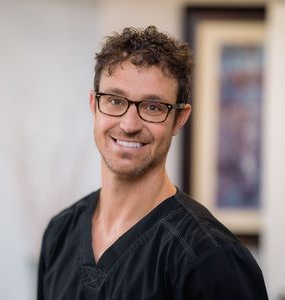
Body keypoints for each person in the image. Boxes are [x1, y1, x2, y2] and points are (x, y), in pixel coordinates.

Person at [37, 26, 268, 299]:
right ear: (94, 105)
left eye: (153, 107)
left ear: (179, 119)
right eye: (114, 100)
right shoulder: (60, 232)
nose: (129, 124)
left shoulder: (211, 257)